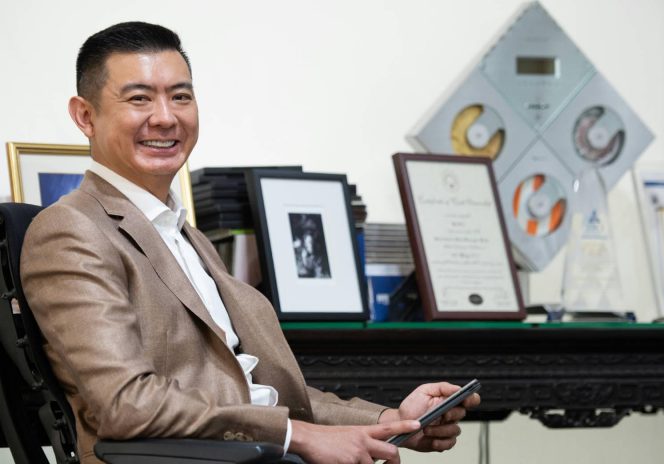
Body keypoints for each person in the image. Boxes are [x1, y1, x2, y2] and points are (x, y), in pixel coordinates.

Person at [20, 22, 480, 464]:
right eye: (139, 98)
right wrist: (298, 437)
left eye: (181, 97)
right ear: (85, 116)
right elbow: (127, 403)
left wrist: (391, 421)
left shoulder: (185, 235)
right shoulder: (70, 230)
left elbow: (259, 394)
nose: (165, 117)